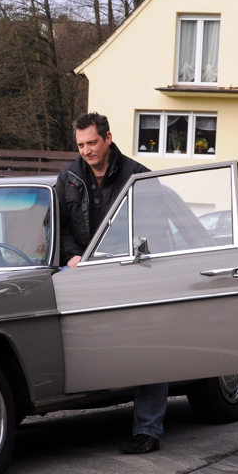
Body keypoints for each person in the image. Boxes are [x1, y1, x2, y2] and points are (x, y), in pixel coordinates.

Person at [55, 112, 168, 455]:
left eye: (92, 142)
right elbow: (59, 227)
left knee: (147, 346)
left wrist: (130, 260)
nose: (86, 150)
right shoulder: (68, 177)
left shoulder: (139, 176)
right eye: (80, 145)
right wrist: (72, 257)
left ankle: (148, 429)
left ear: (107, 138)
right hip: (83, 272)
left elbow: (155, 230)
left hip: (131, 272)